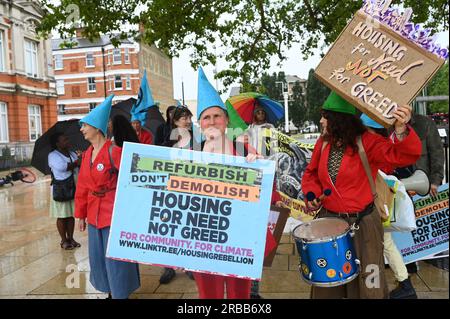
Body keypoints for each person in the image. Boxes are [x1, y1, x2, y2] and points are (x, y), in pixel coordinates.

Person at [301, 91, 422, 299]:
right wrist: (312, 193)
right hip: (329, 226)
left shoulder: (367, 142)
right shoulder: (323, 143)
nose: (321, 120)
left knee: (369, 282)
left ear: (339, 120)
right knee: (328, 285)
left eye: (326, 116)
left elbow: (401, 156)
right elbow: (311, 173)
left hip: (364, 227)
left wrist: (401, 131)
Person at [191, 67, 277, 299]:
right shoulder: (188, 155)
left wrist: (261, 172)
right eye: (206, 117)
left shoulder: (245, 151)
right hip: (203, 237)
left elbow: (270, 195)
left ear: (226, 119)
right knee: (209, 294)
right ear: (199, 123)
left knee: (241, 293)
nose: (212, 121)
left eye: (217, 116)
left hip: (241, 234)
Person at [75, 95, 140, 299]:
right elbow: (83, 187)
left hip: (114, 213)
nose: (81, 129)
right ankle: (111, 290)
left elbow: (136, 179)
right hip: (94, 214)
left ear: (96, 127)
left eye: (85, 125)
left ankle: (121, 292)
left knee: (116, 258)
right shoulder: (86, 155)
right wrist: (80, 214)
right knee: (99, 257)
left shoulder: (116, 151)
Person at [360, 113, 418, 299]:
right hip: (379, 202)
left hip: (374, 203)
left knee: (382, 246)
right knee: (385, 245)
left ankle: (402, 283)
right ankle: (403, 283)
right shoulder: (382, 143)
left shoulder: (374, 145)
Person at [159, 106, 196, 284]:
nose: (188, 120)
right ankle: (168, 267)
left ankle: (188, 265)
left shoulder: (195, 139)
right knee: (168, 229)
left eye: (189, 117)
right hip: (170, 191)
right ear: (174, 121)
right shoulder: (167, 140)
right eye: (184, 118)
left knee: (187, 228)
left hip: (190, 190)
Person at [48, 132, 81, 250]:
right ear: (57, 143)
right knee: (62, 216)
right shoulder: (53, 155)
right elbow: (63, 167)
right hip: (60, 189)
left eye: (67, 139)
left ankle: (71, 238)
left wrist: (79, 161)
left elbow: (78, 168)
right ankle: (64, 240)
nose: (67, 141)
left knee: (70, 215)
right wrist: (78, 162)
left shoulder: (72, 154)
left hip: (72, 187)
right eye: (64, 140)